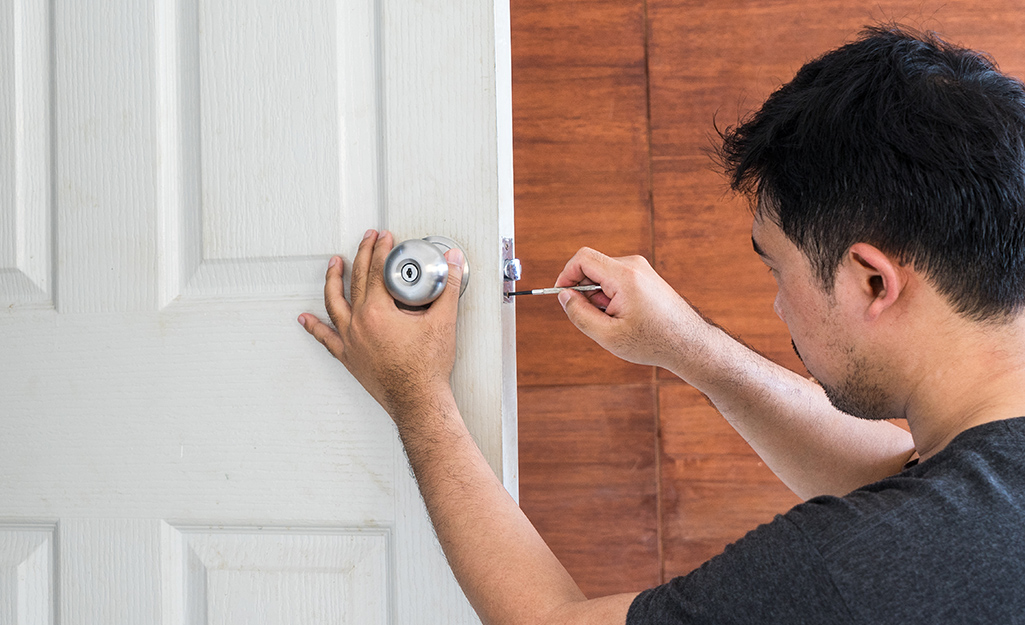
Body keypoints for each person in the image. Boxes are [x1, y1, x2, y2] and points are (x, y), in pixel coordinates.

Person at [297, 25, 1025, 624]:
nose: (776, 304)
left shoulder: (859, 566)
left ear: (871, 279)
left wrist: (415, 395)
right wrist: (688, 346)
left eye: (776, 269)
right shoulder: (975, 486)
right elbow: (916, 478)